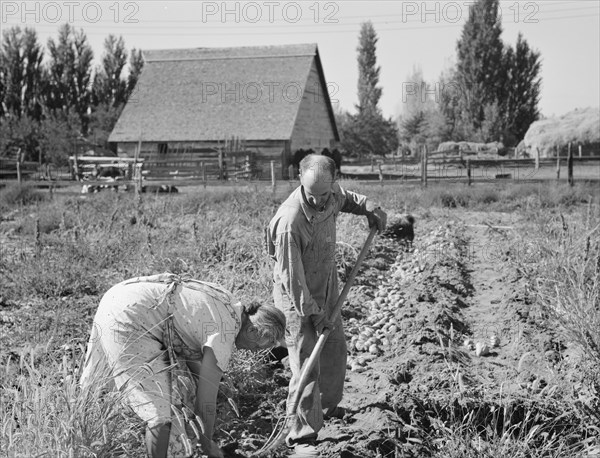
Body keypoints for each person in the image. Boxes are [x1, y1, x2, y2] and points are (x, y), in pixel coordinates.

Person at [79, 273, 286, 458]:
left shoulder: (230, 305)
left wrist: (213, 383)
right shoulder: (224, 335)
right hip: (131, 317)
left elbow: (190, 345)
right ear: (252, 331)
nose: (256, 351)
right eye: (263, 344)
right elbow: (206, 402)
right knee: (159, 412)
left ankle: (81, 439)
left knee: (98, 388)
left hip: (120, 295)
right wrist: (207, 445)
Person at [264, 154, 387, 451]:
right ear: (300, 181)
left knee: (334, 351)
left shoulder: (330, 194)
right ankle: (301, 432)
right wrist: (314, 314)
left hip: (327, 284)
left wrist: (370, 207)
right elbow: (293, 279)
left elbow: (347, 198)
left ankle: (327, 408)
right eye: (312, 195)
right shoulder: (289, 222)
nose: (319, 201)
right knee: (307, 365)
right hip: (297, 298)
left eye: (324, 194)